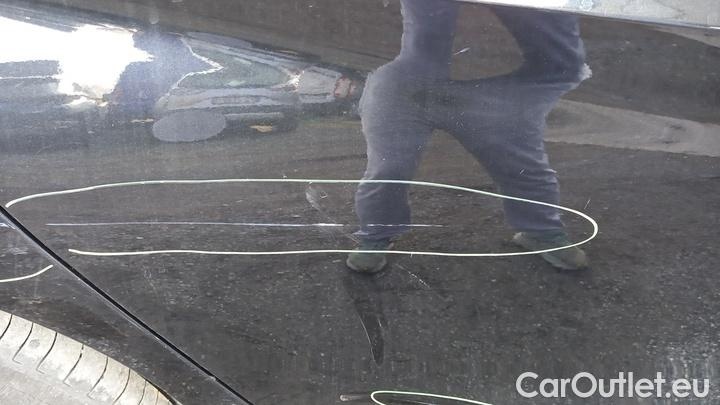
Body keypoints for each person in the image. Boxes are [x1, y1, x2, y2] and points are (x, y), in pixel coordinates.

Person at [346, 0, 591, 273]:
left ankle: (543, 231)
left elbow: (561, 40)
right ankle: (374, 237)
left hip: (496, 87)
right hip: (410, 79)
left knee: (522, 167)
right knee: (388, 168)